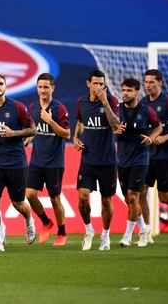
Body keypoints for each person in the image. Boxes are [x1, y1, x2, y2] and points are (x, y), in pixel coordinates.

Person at [0, 73, 36, 253]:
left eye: (0, 83)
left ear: (5, 86)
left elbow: (32, 130)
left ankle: (29, 219)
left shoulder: (17, 107)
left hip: (16, 162)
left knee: (18, 203)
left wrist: (14, 134)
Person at [73, 70, 120, 251]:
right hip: (88, 160)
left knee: (107, 200)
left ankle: (106, 235)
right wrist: (75, 139)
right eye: (96, 84)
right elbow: (79, 123)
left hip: (108, 160)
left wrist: (105, 102)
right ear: (88, 84)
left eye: (102, 84)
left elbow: (115, 125)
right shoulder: (81, 103)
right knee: (83, 197)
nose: (99, 87)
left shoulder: (112, 101)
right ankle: (89, 230)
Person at [25, 73, 70, 246]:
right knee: (29, 194)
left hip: (54, 162)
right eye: (40, 87)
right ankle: (45, 222)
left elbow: (66, 134)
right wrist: (30, 137)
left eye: (46, 87)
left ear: (53, 88)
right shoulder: (34, 107)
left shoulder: (59, 109)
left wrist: (50, 121)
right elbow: (35, 128)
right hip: (37, 160)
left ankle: (62, 233)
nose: (43, 90)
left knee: (55, 199)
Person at [115, 78, 162, 247]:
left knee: (133, 197)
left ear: (137, 92)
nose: (125, 94)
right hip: (122, 160)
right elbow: (109, 129)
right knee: (128, 200)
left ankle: (127, 236)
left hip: (140, 160)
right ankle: (144, 230)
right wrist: (114, 129)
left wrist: (151, 138)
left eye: (129, 90)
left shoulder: (146, 111)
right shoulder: (116, 110)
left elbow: (158, 127)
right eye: (123, 90)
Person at [139, 69, 168, 240]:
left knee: (165, 197)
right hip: (146, 157)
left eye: (151, 82)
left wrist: (165, 137)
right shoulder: (143, 103)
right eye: (145, 81)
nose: (147, 85)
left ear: (159, 82)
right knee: (141, 192)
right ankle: (146, 232)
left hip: (165, 157)